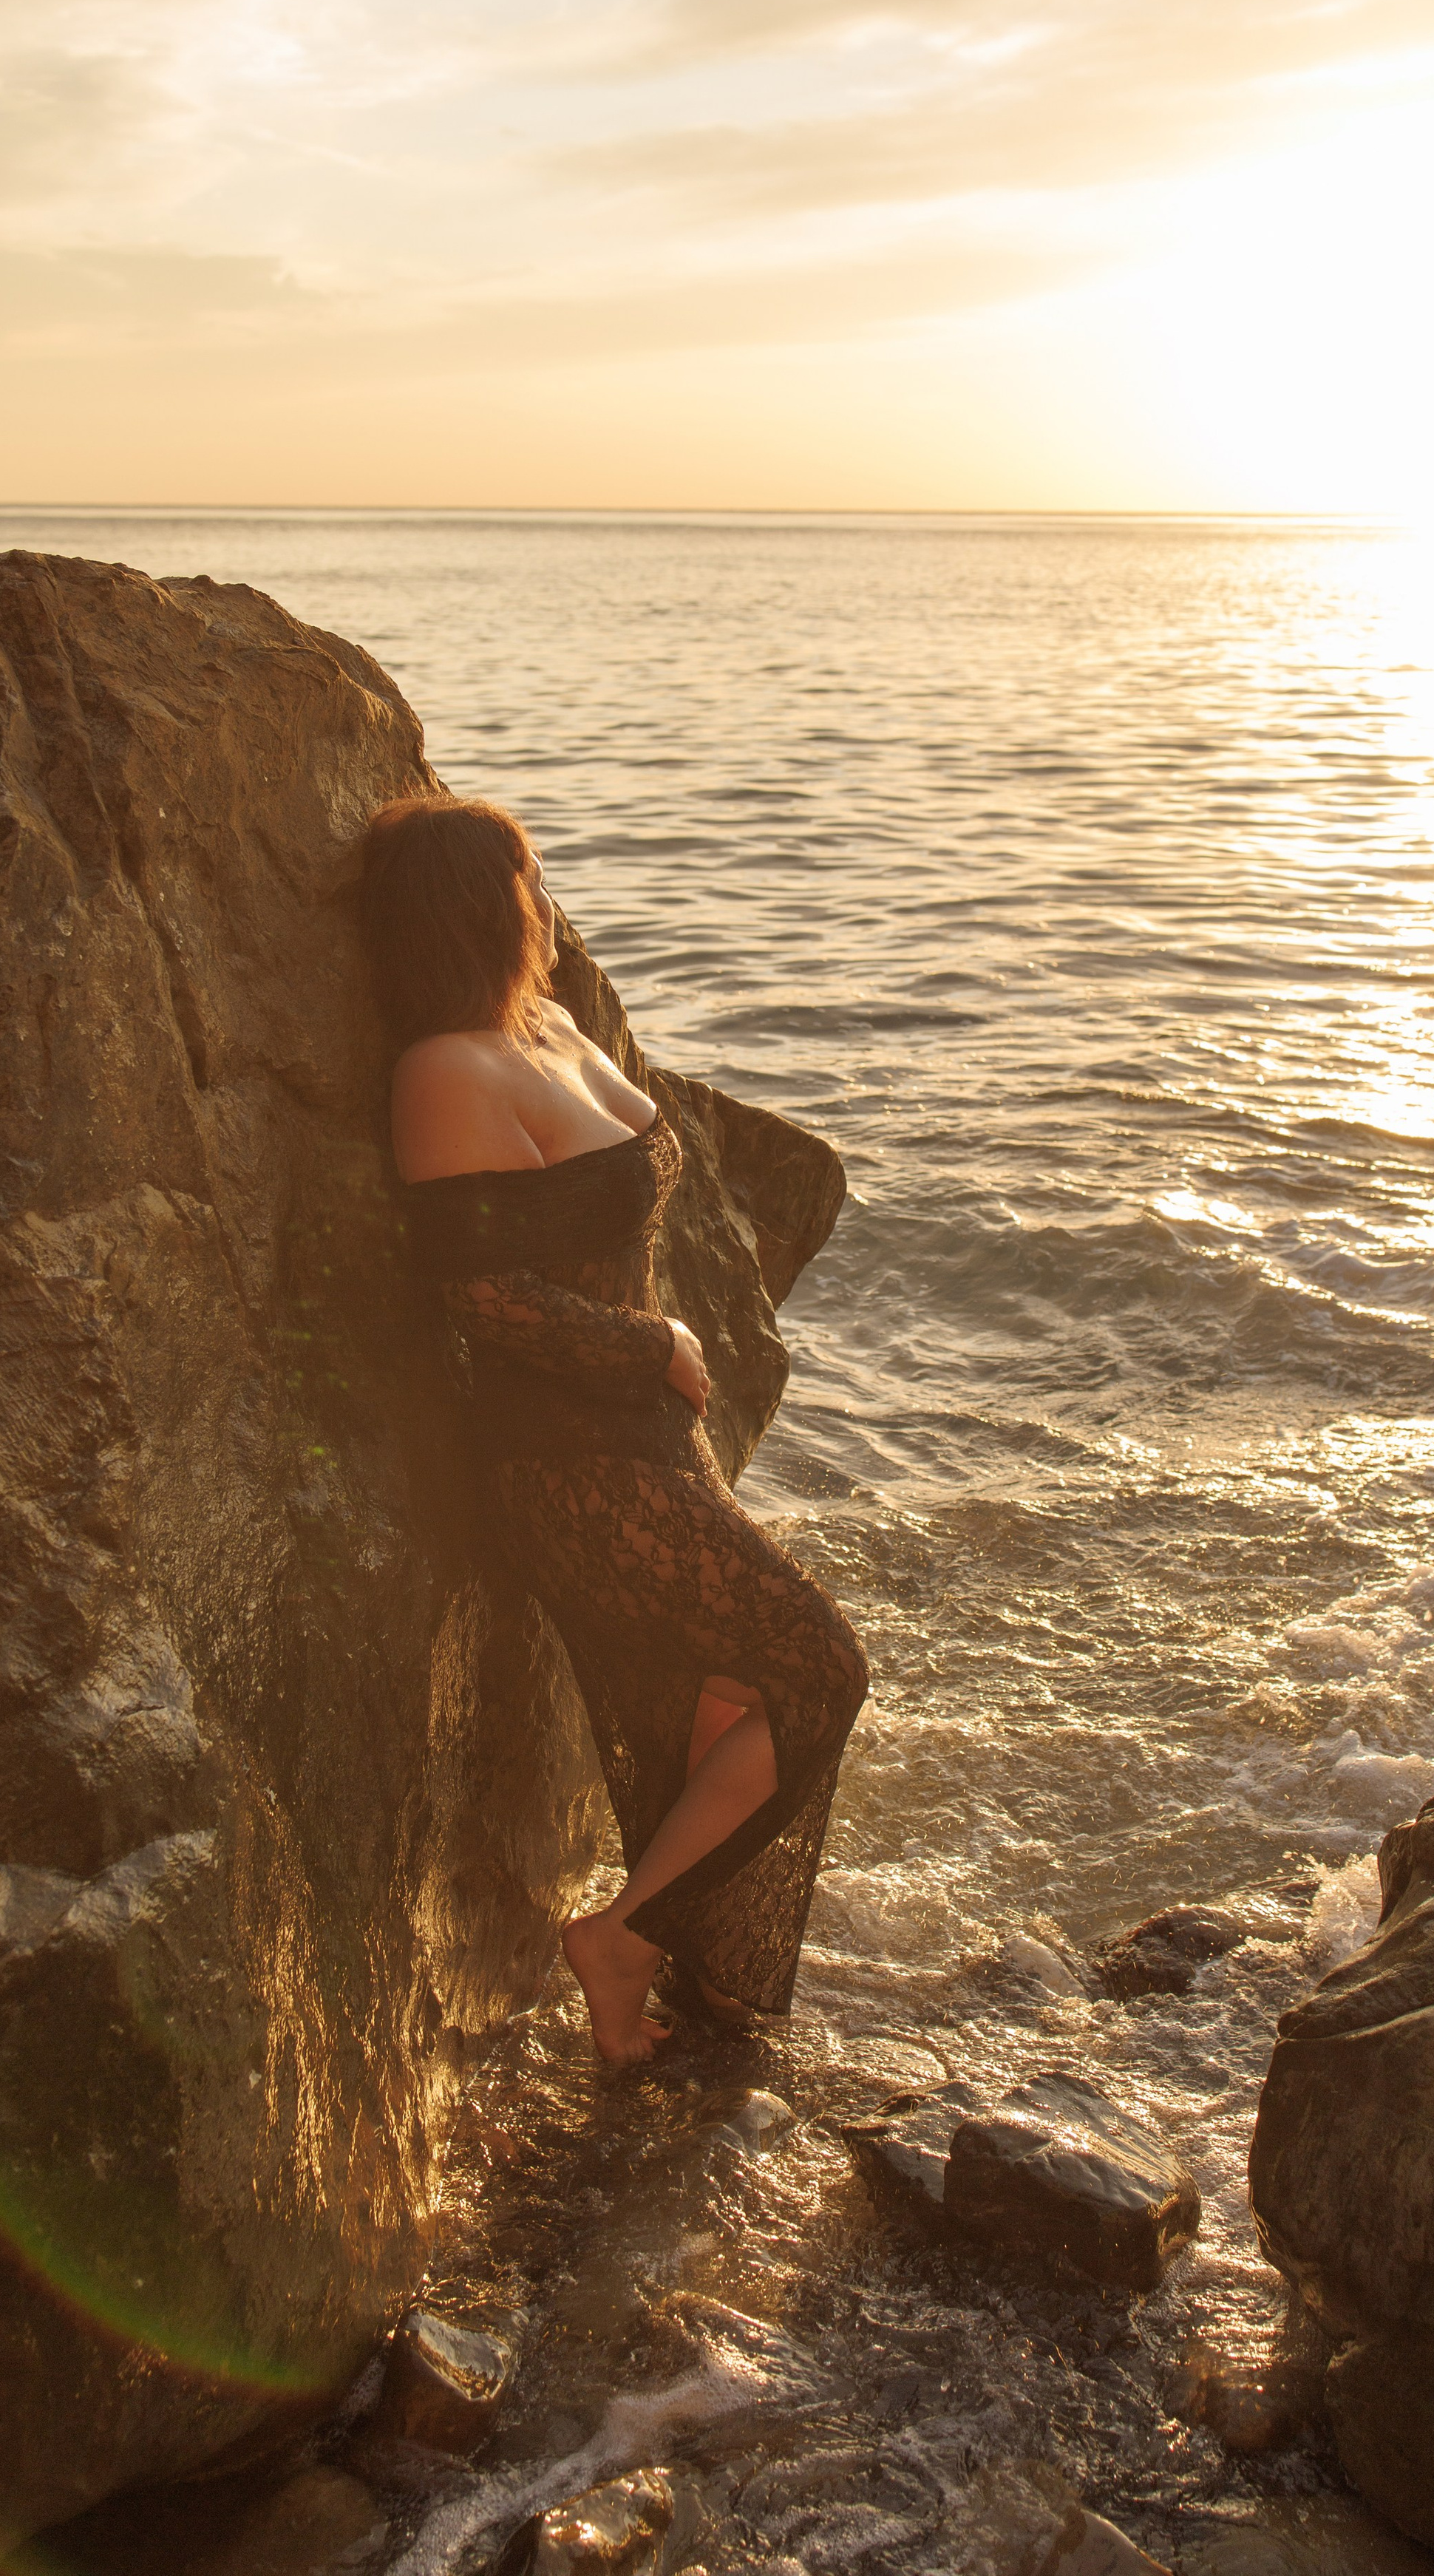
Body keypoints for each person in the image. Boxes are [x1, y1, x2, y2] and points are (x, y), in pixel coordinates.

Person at [361, 795, 868, 2064]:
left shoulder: (547, 1025)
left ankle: (671, 1982)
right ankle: (622, 1936)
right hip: (566, 1461)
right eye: (527, 878)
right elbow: (479, 1295)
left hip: (650, 1441)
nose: (545, 898)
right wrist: (659, 1345)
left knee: (725, 1689)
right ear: (480, 904)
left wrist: (661, 1366)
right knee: (819, 1668)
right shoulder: (443, 1072)